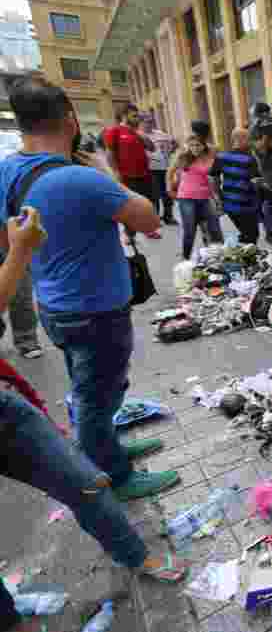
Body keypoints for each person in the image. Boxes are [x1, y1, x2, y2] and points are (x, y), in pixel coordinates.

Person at [0, 206, 189, 632]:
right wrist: (18, 253)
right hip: (76, 321)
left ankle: (136, 555)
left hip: (5, 410)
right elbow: (145, 216)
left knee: (83, 480)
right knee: (91, 411)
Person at [0, 77, 179, 502]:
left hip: (55, 309)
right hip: (96, 312)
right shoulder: (83, 179)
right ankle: (116, 476)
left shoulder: (6, 171)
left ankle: (106, 446)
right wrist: (104, 172)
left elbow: (4, 243)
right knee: (97, 397)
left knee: (92, 389)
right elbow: (149, 219)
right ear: (70, 118)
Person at [103, 104, 160, 240]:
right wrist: (116, 172)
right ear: (124, 116)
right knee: (129, 206)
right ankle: (129, 234)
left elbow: (152, 148)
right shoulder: (114, 131)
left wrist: (141, 135)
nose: (137, 118)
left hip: (145, 174)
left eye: (137, 115)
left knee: (150, 202)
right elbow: (109, 154)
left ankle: (148, 230)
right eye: (134, 116)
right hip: (127, 176)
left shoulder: (137, 132)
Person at [169, 134, 224, 260]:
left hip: (205, 197)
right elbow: (170, 172)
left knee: (215, 228)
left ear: (203, 145)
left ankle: (219, 254)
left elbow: (212, 178)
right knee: (190, 230)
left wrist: (216, 198)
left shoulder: (210, 157)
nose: (195, 148)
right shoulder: (183, 157)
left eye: (198, 145)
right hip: (186, 198)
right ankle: (186, 257)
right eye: (191, 145)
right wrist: (169, 189)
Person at [210, 128, 261, 246]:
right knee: (251, 236)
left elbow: (214, 178)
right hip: (246, 204)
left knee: (246, 234)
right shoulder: (249, 159)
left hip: (229, 204)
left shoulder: (221, 156)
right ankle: (243, 257)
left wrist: (219, 197)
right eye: (249, 139)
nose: (250, 142)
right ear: (240, 139)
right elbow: (256, 182)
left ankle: (239, 252)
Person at [141, 116, 177, 225]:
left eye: (150, 121)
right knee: (154, 195)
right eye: (146, 122)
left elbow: (174, 143)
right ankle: (155, 218)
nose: (148, 124)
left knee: (167, 192)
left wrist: (170, 151)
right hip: (151, 169)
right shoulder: (139, 135)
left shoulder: (161, 134)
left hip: (165, 168)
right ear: (141, 123)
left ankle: (168, 216)